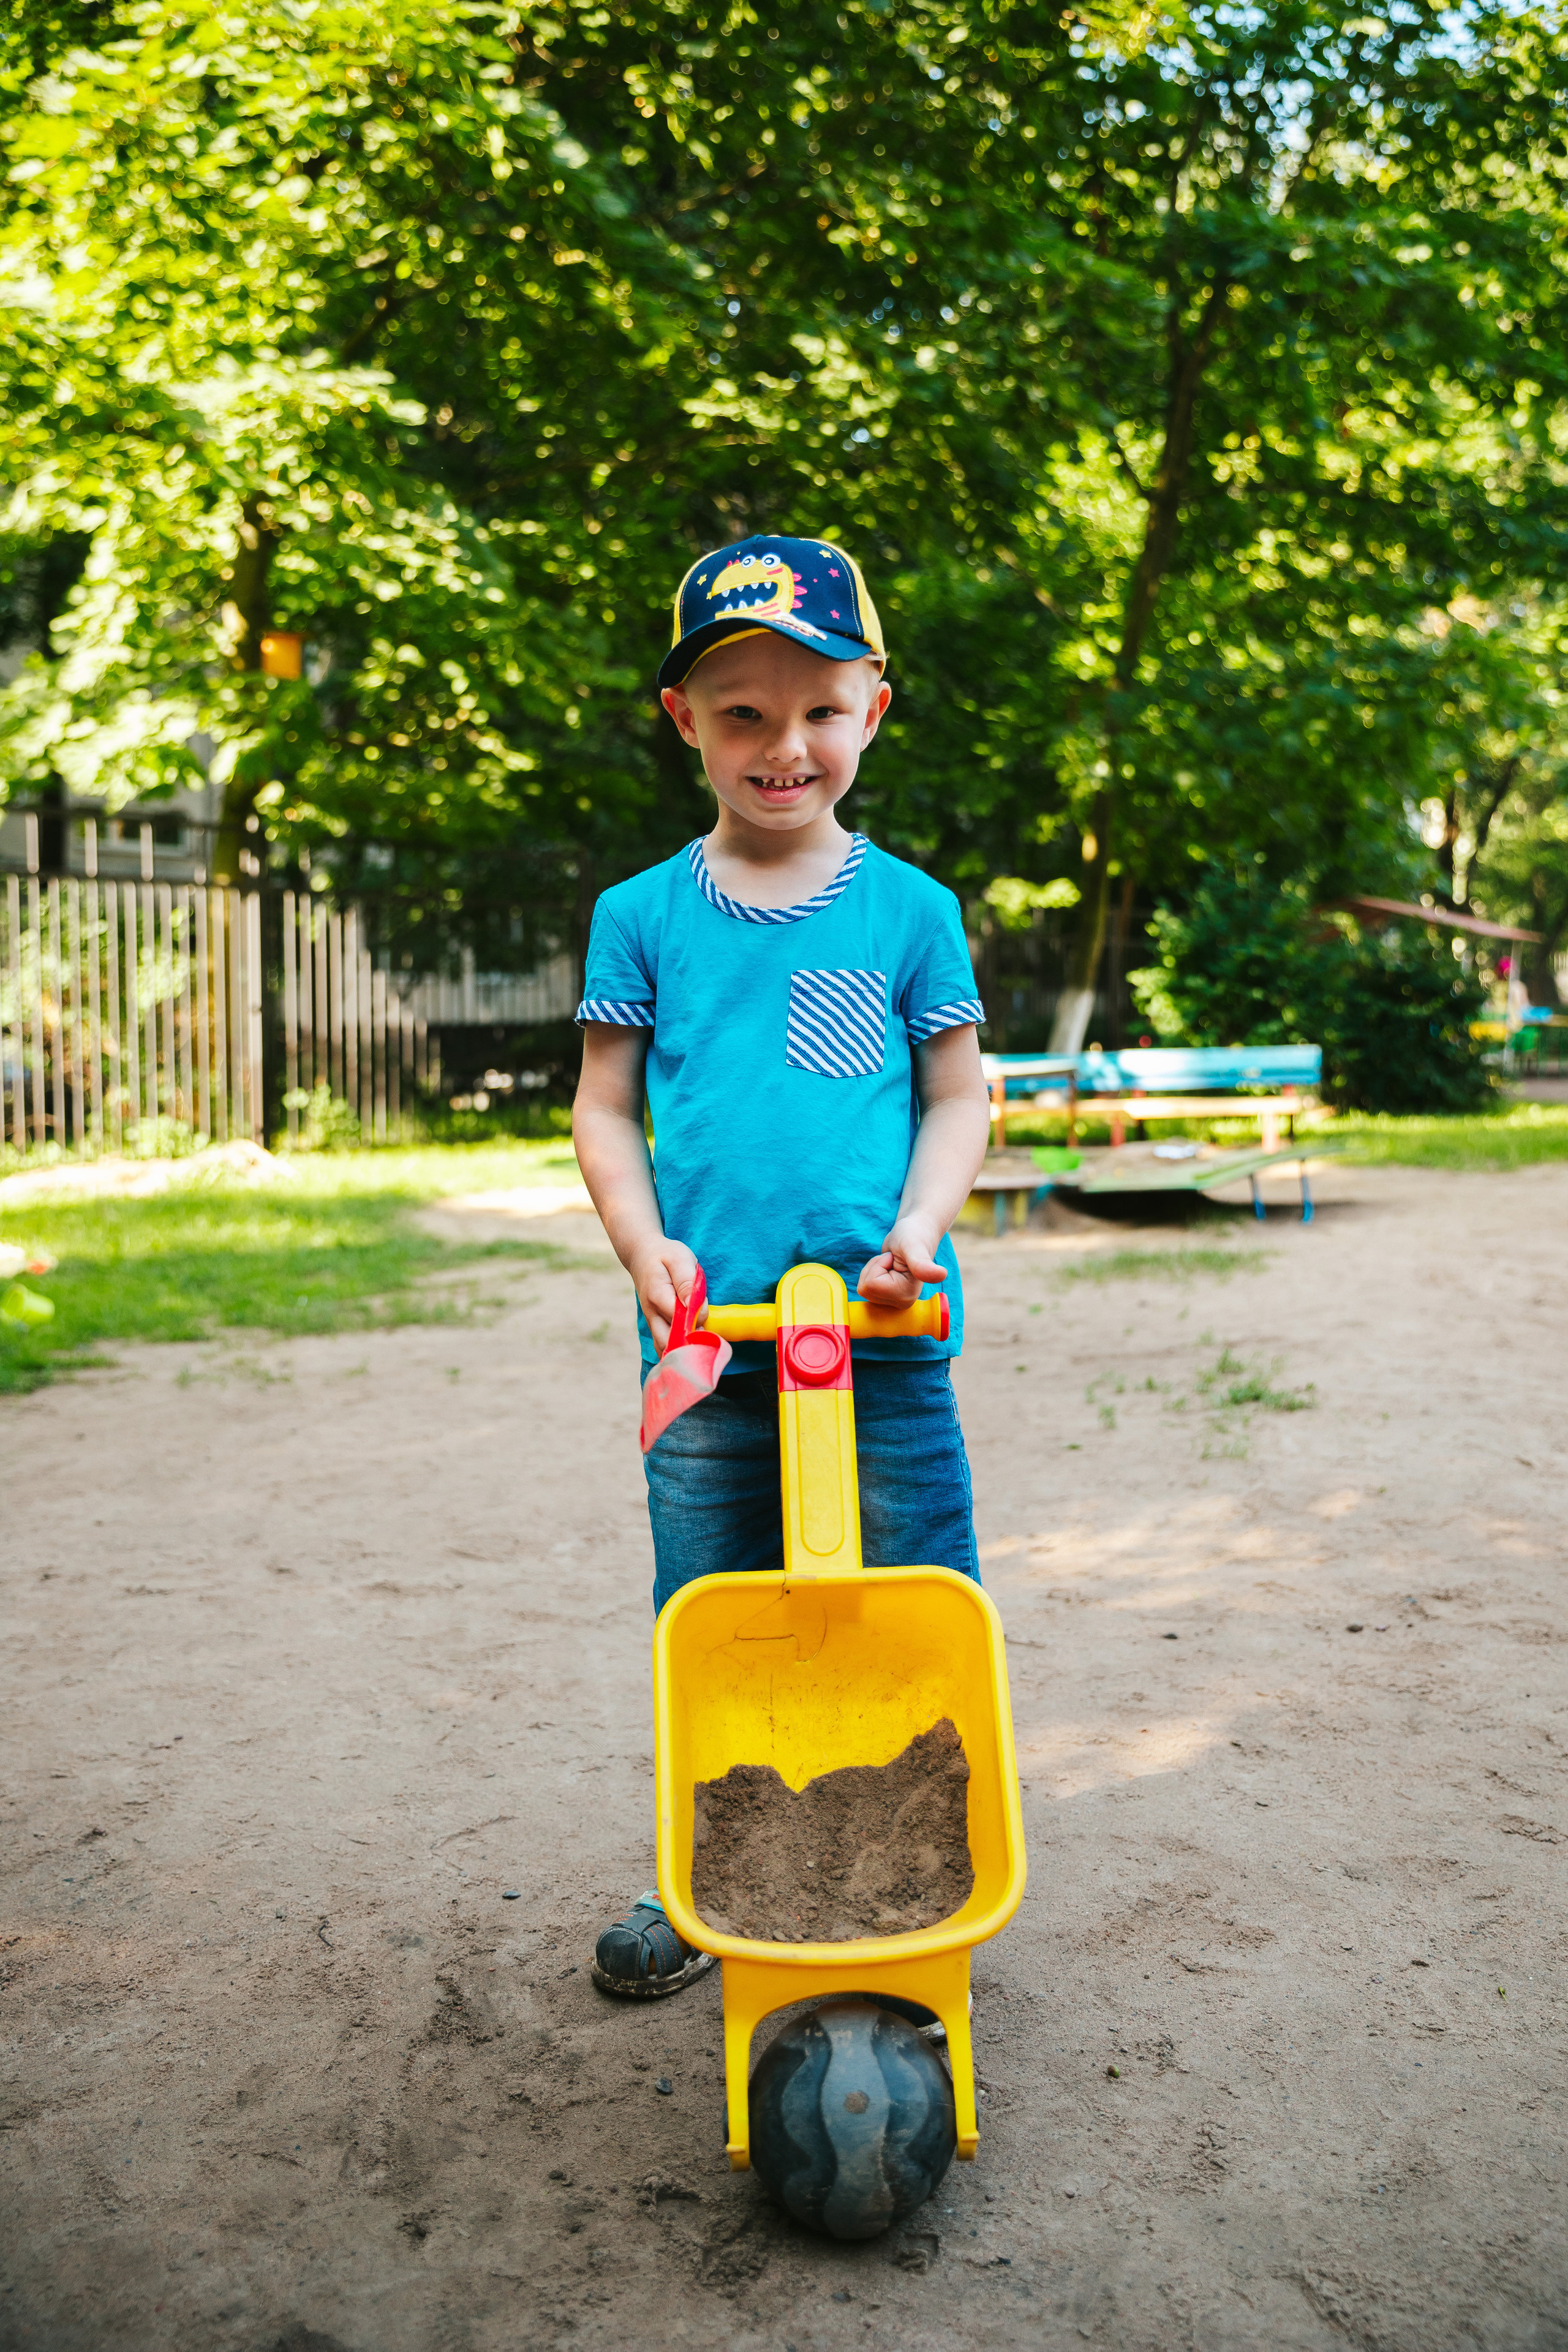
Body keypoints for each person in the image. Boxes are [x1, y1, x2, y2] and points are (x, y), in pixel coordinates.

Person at [571, 532, 990, 1997]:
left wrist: (915, 1234)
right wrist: (643, 1245)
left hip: (883, 1342)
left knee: (913, 1597)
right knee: (713, 1613)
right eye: (742, 712)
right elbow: (605, 1107)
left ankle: (925, 1867)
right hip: (710, 1348)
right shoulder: (640, 915)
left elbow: (956, 1098)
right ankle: (708, 1875)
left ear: (872, 708)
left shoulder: (911, 912)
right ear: (683, 721)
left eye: (818, 708)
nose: (783, 745)